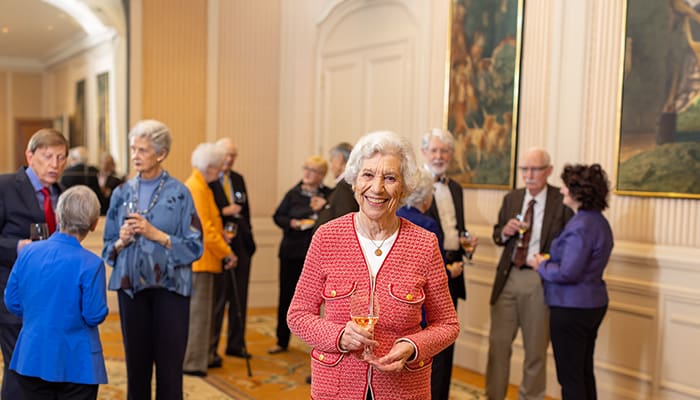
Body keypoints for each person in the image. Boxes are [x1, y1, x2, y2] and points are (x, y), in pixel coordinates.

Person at [287, 131, 460, 400]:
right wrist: (339, 335)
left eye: (390, 178)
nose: (377, 188)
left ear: (403, 188)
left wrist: (412, 345)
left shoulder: (425, 244)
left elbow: (447, 324)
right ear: (354, 182)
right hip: (337, 387)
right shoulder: (326, 237)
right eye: (368, 175)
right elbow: (297, 315)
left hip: (403, 388)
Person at [102, 120, 204, 400]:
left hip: (171, 290)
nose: (135, 155)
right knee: (136, 370)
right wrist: (122, 240)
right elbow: (107, 249)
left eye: (143, 150)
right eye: (133, 148)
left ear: (161, 154)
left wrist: (157, 234)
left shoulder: (180, 193)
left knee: (170, 372)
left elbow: (196, 247)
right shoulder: (121, 193)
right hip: (131, 289)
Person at [486, 147, 574, 400]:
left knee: (535, 350)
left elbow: (569, 244)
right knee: (498, 346)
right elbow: (496, 235)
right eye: (524, 169)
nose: (529, 174)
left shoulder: (561, 201)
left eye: (535, 169)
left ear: (549, 171)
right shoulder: (512, 198)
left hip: (539, 280)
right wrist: (505, 231)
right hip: (508, 277)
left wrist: (547, 261)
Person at [5, 185, 107, 400]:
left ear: (59, 216)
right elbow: (93, 315)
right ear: (94, 223)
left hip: (32, 355)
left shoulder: (28, 252)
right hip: (77, 362)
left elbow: (11, 300)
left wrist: (38, 314)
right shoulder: (92, 264)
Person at [530, 164, 613, 400]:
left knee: (570, 377)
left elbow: (568, 273)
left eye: (566, 187)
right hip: (592, 304)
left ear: (579, 192)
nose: (562, 191)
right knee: (584, 371)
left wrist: (541, 264)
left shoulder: (581, 225)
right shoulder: (598, 221)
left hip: (572, 308)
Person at [0, 128, 68, 399]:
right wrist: (20, 248)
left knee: (41, 367)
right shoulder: (5, 186)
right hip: (11, 294)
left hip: (47, 299)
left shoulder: (61, 194)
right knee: (18, 367)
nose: (55, 164)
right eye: (47, 156)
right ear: (30, 155)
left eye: (61, 157)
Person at [421, 127, 477, 400]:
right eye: (434, 150)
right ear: (424, 153)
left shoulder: (455, 187)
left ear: (452, 155)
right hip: (426, 272)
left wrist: (467, 243)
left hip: (454, 271)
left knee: (446, 339)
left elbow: (456, 228)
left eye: (444, 151)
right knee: (424, 341)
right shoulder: (415, 186)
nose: (439, 156)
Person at [183, 142, 237, 376]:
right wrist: (227, 251)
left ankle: (200, 358)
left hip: (206, 259)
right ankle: (193, 362)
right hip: (201, 260)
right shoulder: (196, 187)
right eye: (217, 168)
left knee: (203, 314)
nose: (219, 173)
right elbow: (204, 229)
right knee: (199, 315)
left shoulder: (201, 185)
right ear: (210, 167)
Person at [270, 155, 331, 355]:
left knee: (321, 301)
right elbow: (278, 216)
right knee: (286, 296)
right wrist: (292, 223)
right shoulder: (292, 193)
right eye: (305, 168)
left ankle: (320, 342)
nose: (307, 173)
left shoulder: (329, 196)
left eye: (312, 170)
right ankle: (281, 340)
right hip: (291, 252)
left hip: (317, 256)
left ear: (321, 175)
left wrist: (324, 206)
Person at [209, 138, 256, 364]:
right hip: (219, 246)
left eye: (233, 156)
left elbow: (246, 211)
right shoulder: (208, 180)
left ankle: (236, 344)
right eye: (226, 155)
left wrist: (250, 241)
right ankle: (211, 349)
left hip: (241, 245)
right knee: (218, 301)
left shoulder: (238, 179)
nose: (229, 160)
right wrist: (224, 210)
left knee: (240, 299)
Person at [313, 142, 358, 229]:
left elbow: (344, 221)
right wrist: (326, 204)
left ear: (340, 159)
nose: (331, 167)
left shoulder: (344, 186)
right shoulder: (345, 184)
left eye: (332, 160)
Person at [60, 146, 107, 212]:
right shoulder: (94, 171)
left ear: (74, 159)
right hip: (92, 208)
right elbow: (101, 190)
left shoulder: (66, 172)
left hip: (70, 208)